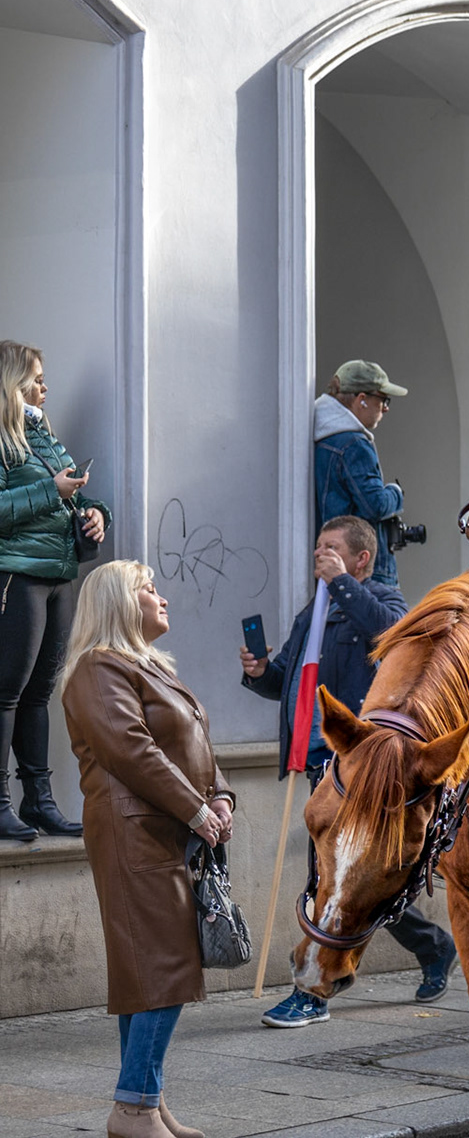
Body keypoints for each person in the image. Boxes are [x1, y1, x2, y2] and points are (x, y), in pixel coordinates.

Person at [241, 515, 456, 1027]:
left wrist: (340, 583)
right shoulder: (313, 611)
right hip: (317, 758)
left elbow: (390, 637)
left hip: (361, 769)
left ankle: (312, 991)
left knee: (333, 879)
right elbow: (290, 680)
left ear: (361, 559)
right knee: (347, 880)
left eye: (332, 548)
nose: (320, 555)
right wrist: (260, 673)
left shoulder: (384, 600)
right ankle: (434, 947)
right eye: (319, 547)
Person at [61, 560, 232, 1138]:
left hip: (164, 829)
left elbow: (194, 743)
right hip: (133, 832)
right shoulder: (97, 667)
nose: (163, 598)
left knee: (149, 970)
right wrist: (197, 809)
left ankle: (145, 1103)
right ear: (117, 602)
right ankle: (133, 1108)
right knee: (164, 966)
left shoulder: (146, 666)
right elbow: (131, 749)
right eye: (148, 589)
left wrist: (220, 796)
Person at [0, 341, 107, 841]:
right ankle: (1, 804)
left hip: (59, 576)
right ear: (13, 381)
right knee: (6, 692)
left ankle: (38, 803)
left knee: (39, 693)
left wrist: (96, 514)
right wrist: (52, 491)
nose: (46, 387)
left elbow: (75, 493)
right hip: (17, 575)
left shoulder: (42, 433)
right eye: (37, 378)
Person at [314, 361, 407, 587]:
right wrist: (395, 493)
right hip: (364, 572)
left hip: (334, 565)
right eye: (383, 400)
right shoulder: (354, 444)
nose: (385, 408)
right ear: (361, 399)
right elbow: (375, 505)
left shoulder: (321, 437)